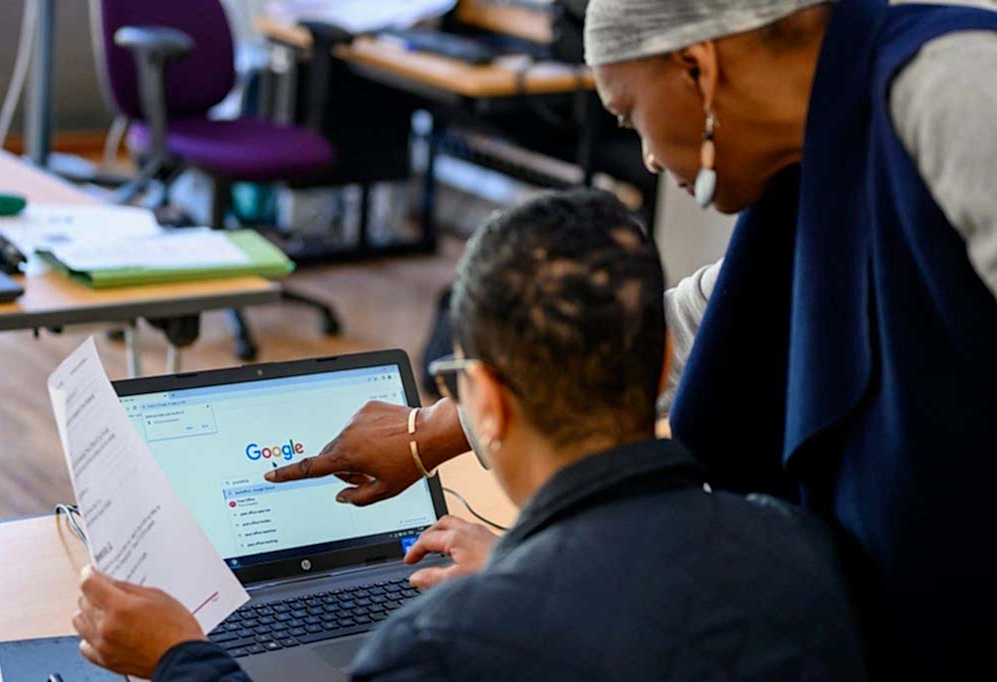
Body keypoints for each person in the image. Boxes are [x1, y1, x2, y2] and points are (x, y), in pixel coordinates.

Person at [244, 1, 997, 678]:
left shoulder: (956, 93)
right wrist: (440, 437)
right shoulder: (817, 151)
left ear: (696, 68)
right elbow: (690, 322)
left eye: (629, 113)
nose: (643, 156)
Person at [72, 190, 866, 681]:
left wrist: (180, 658)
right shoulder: (807, 550)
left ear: (481, 396)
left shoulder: (449, 646)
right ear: (664, 354)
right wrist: (528, 567)